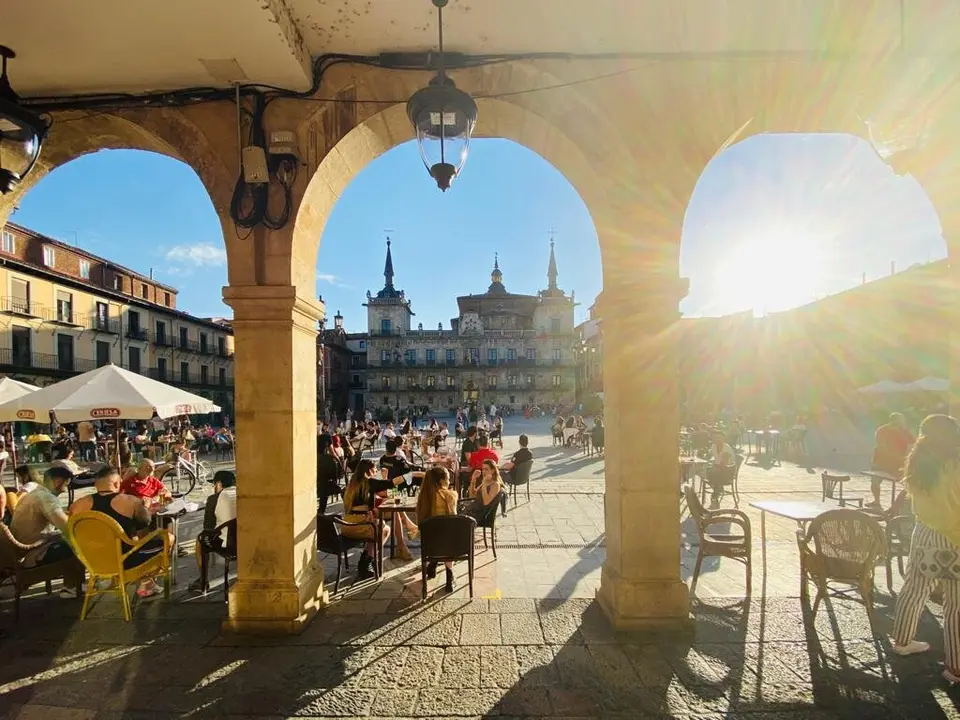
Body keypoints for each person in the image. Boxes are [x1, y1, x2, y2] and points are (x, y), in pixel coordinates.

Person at [890, 414, 960, 684]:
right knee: (956, 604)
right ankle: (955, 667)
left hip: (923, 532)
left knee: (914, 587)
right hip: (953, 537)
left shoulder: (918, 461)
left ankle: (902, 640)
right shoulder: (955, 463)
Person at [69, 465, 169, 597]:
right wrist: (146, 507)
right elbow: (145, 522)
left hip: (93, 561)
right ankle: (146, 582)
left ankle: (117, 581)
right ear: (117, 483)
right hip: (126, 561)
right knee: (168, 538)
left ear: (96, 484)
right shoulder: (131, 501)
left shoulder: (77, 505)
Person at [8, 466, 83, 597]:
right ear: (58, 481)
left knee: (69, 539)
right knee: (78, 542)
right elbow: (66, 527)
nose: (67, 487)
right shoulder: (46, 497)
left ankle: (75, 585)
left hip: (21, 549)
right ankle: (71, 586)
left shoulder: (35, 493)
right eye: (67, 482)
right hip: (32, 553)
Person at [341, 459, 408, 577]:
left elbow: (382, 492)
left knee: (380, 526)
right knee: (383, 528)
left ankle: (367, 558)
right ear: (369, 470)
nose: (376, 470)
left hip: (346, 524)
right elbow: (390, 485)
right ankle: (367, 560)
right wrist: (412, 475)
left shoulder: (352, 484)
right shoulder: (368, 482)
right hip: (358, 526)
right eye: (375, 468)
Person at [189, 470, 237, 594]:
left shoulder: (213, 499)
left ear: (219, 484)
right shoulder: (244, 494)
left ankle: (203, 580)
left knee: (200, 540)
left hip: (226, 545)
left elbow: (208, 528)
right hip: (247, 542)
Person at [416, 466, 459, 592]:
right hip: (446, 542)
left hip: (429, 542)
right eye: (447, 478)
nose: (449, 481)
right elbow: (453, 518)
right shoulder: (450, 495)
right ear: (441, 481)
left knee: (439, 535)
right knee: (450, 535)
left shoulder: (423, 497)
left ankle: (432, 564)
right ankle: (449, 576)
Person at [871, 413, 915, 508]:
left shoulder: (905, 432)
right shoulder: (882, 430)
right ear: (892, 421)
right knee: (875, 481)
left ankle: (899, 505)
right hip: (880, 461)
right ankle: (877, 501)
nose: (900, 423)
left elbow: (911, 446)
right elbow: (881, 445)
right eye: (898, 421)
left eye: (901, 421)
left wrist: (906, 460)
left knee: (906, 483)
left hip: (896, 462)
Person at [706, 430, 736, 508]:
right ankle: (717, 490)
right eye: (715, 438)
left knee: (713, 473)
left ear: (723, 439)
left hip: (728, 469)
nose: (717, 439)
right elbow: (709, 456)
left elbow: (724, 462)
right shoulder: (713, 446)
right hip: (717, 468)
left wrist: (716, 466)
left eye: (719, 438)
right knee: (707, 472)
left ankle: (715, 493)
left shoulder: (726, 447)